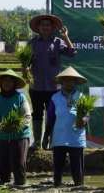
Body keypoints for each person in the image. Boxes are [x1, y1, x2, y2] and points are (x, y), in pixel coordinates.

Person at [27, 13, 76, 151]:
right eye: (43, 25)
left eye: (48, 25)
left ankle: (51, 141)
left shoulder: (58, 42)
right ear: (38, 27)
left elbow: (72, 53)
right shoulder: (32, 43)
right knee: (37, 114)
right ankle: (37, 142)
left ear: (52, 27)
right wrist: (26, 69)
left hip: (54, 86)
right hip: (36, 86)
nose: (45, 27)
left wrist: (65, 37)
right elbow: (26, 62)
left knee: (53, 114)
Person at [0, 70, 32, 187]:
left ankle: (20, 183)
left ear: (14, 84)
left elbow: (27, 116)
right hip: (2, 135)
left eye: (10, 81)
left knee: (18, 163)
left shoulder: (20, 97)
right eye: (5, 81)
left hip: (19, 135)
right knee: (2, 163)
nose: (7, 83)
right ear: (1, 83)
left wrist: (17, 126)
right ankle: (3, 182)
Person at [45, 66, 87, 187]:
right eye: (66, 80)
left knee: (77, 168)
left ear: (75, 82)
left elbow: (87, 115)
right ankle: (57, 186)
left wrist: (83, 120)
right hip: (59, 137)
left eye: (71, 80)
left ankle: (79, 187)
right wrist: (46, 136)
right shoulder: (55, 98)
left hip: (76, 138)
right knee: (58, 167)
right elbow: (50, 119)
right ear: (62, 82)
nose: (69, 82)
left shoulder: (81, 97)